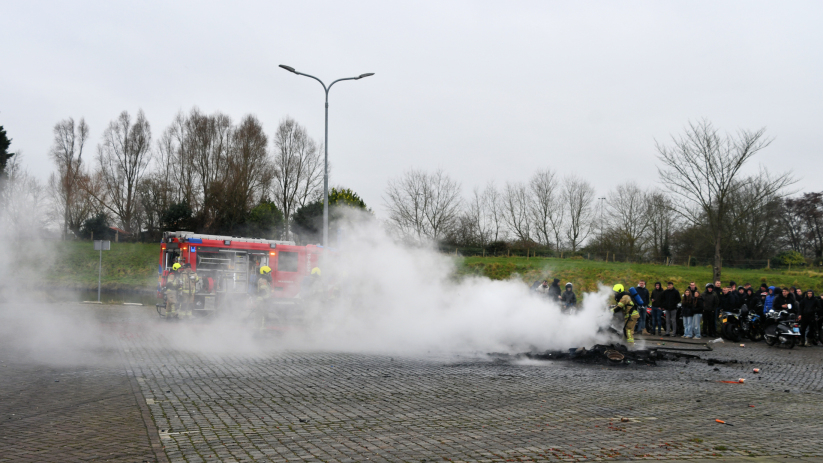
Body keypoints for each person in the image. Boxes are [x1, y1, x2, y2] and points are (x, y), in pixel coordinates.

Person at [256, 266, 273, 330]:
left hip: (263, 300)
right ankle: (261, 329)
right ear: (264, 273)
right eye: (268, 273)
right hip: (262, 300)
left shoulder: (264, 280)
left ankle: (259, 328)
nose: (269, 275)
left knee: (261, 315)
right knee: (262, 315)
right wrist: (267, 297)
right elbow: (262, 292)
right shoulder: (262, 280)